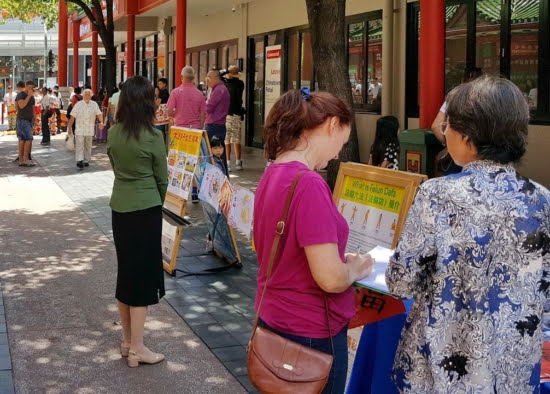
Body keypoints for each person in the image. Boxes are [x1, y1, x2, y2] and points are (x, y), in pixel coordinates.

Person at [386, 76, 550, 393]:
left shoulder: (436, 195)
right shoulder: (542, 200)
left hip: (441, 366)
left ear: (468, 136)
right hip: (512, 369)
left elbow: (402, 281)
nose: (444, 132)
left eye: (448, 125)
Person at [253, 88, 375, 393]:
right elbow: (331, 279)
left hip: (272, 319)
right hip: (310, 332)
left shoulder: (273, 171)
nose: (336, 155)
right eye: (341, 144)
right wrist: (356, 268)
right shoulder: (309, 183)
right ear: (332, 125)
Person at [107, 75, 168, 368]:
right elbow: (162, 179)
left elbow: (115, 167)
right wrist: (157, 200)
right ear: (146, 102)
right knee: (143, 277)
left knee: (126, 271)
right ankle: (139, 349)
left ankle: (127, 340)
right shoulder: (154, 136)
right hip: (146, 208)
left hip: (119, 206)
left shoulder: (114, 133)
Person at [431, 67, 482, 175]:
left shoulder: (453, 99)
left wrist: (450, 143)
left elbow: (435, 126)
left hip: (456, 159)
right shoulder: (488, 100)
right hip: (484, 159)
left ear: (462, 80)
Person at [67, 89, 103, 169]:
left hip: (89, 128)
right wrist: (69, 127)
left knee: (88, 145)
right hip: (80, 128)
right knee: (79, 144)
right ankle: (79, 160)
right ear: (83, 95)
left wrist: (101, 122)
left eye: (89, 95)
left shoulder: (94, 104)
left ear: (91, 96)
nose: (87, 96)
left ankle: (86, 160)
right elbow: (72, 116)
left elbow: (99, 113)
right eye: (86, 94)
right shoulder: (78, 104)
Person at [223, 65, 245, 171]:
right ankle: (232, 161)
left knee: (232, 139)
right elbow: (216, 75)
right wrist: (228, 71)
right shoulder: (238, 83)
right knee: (230, 139)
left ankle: (233, 162)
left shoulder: (236, 83)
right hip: (231, 113)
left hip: (231, 113)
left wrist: (227, 71)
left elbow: (217, 75)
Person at [15, 81, 36, 167]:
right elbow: (21, 106)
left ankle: (23, 160)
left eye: (32, 88)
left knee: (24, 139)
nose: (31, 89)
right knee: (28, 139)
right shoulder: (21, 95)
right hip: (22, 119)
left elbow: (33, 109)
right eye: (29, 87)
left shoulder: (32, 98)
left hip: (29, 120)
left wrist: (34, 119)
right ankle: (24, 159)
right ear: (26, 86)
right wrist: (29, 96)